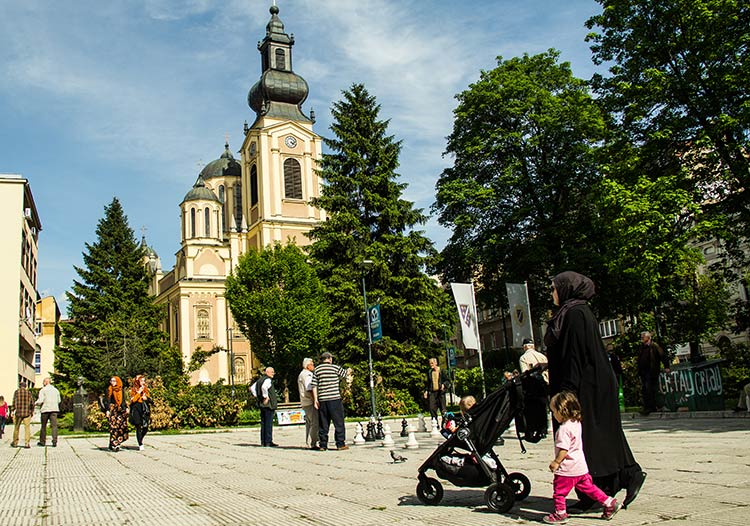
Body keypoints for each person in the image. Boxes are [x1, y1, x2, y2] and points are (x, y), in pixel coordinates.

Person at [544, 271, 646, 511]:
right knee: (596, 436)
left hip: (588, 386)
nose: (552, 293)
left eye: (554, 288)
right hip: (589, 383)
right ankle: (605, 487)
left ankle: (625, 476)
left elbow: (575, 355)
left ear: (567, 289)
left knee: (591, 437)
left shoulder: (576, 313)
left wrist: (567, 392)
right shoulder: (572, 311)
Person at [543, 391, 621, 524]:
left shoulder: (563, 429)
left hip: (567, 469)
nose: (553, 415)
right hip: (580, 467)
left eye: (554, 411)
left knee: (559, 493)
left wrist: (556, 462)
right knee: (590, 488)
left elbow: (564, 449)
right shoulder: (576, 423)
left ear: (562, 411)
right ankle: (609, 502)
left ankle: (560, 514)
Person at [311, 352, 352, 451]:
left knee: (323, 423)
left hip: (322, 399)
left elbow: (314, 385)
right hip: (334, 398)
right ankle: (340, 443)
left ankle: (323, 444)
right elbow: (345, 374)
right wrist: (349, 370)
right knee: (338, 422)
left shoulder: (317, 370)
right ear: (329, 359)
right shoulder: (335, 368)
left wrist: (316, 399)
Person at [637, 331, 670, 415]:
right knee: (645, 389)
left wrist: (666, 366)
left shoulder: (654, 346)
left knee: (650, 388)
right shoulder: (642, 347)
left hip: (651, 371)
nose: (641, 339)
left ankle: (651, 407)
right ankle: (647, 406)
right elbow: (640, 359)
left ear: (648, 338)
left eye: (643, 337)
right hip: (643, 372)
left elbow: (662, 355)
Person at [252, 367, 278, 447]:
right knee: (268, 423)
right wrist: (265, 397)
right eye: (272, 372)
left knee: (263, 423)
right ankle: (268, 441)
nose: (273, 373)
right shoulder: (267, 380)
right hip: (268, 405)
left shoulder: (260, 380)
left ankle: (263, 441)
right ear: (268, 372)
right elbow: (264, 387)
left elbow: (252, 388)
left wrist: (257, 396)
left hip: (262, 404)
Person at [297, 358, 319, 449]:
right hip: (309, 401)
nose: (313, 365)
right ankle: (313, 442)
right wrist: (315, 400)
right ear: (307, 365)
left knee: (309, 423)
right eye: (312, 364)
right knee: (314, 423)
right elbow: (309, 388)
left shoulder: (302, 374)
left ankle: (309, 441)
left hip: (305, 401)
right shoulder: (307, 375)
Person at [35, 377, 61, 447]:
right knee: (54, 426)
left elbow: (41, 400)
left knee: (43, 426)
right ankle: (54, 441)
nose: (43, 383)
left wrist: (35, 403)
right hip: (54, 409)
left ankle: (42, 441)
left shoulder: (43, 390)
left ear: (46, 382)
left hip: (45, 409)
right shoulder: (56, 390)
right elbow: (59, 400)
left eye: (43, 382)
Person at [105, 376, 129, 452]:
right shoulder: (109, 389)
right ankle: (115, 444)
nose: (112, 382)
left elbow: (123, 400)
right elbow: (107, 400)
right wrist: (107, 410)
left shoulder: (121, 390)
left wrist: (126, 408)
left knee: (120, 427)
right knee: (113, 427)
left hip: (120, 410)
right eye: (111, 381)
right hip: (113, 410)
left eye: (114, 381)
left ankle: (115, 442)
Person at [423, 357, 450, 423]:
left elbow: (448, 380)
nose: (431, 365)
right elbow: (428, 383)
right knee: (432, 408)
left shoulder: (442, 371)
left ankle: (444, 424)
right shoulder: (430, 372)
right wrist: (426, 391)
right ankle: (435, 424)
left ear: (436, 363)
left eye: (432, 363)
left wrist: (444, 385)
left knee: (443, 409)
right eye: (430, 363)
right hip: (432, 392)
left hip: (440, 392)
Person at [129, 375, 150, 451]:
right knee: (138, 426)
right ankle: (140, 443)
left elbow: (149, 399)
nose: (143, 383)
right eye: (141, 381)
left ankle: (140, 438)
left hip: (144, 410)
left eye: (144, 381)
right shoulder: (133, 390)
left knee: (145, 427)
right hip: (137, 409)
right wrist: (139, 393)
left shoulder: (145, 389)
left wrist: (146, 398)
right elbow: (133, 400)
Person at [11, 380, 34, 448]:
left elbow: (14, 402)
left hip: (18, 413)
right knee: (27, 428)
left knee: (16, 428)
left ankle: (15, 442)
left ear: (19, 386)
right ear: (26, 386)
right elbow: (32, 403)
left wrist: (12, 411)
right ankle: (27, 443)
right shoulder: (29, 393)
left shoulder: (16, 392)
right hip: (27, 413)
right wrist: (31, 411)